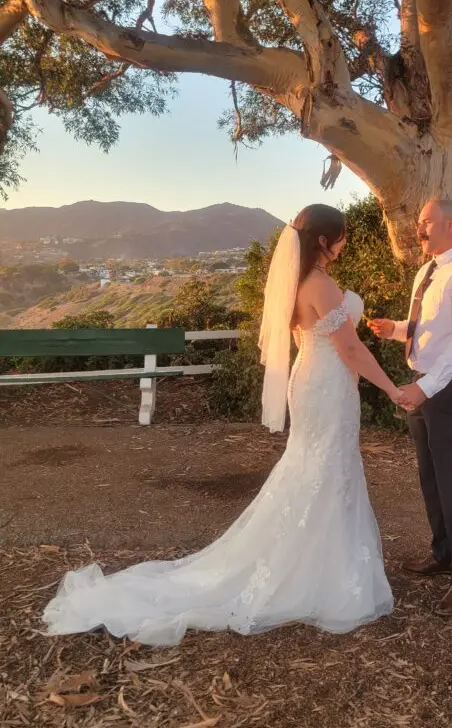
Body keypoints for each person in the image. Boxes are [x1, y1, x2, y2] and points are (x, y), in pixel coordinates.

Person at [43, 205, 404, 646]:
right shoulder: (321, 284)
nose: (345, 243)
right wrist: (391, 388)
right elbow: (348, 348)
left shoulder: (295, 283)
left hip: (312, 379)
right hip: (327, 385)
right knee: (326, 467)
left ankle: (319, 560)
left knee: (317, 466)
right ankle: (322, 571)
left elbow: (310, 339)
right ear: (325, 242)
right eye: (342, 237)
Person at [369, 199, 452, 617]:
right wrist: (394, 330)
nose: (419, 230)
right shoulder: (427, 271)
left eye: (425, 223)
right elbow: (428, 328)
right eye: (419, 223)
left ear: (450, 223)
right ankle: (443, 553)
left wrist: (428, 388)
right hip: (425, 383)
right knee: (430, 476)